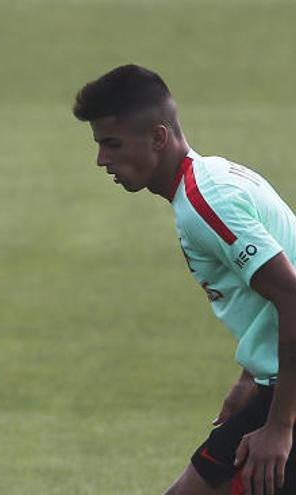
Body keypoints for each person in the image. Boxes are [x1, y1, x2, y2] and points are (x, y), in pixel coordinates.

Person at [73, 65, 296, 495]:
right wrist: (250, 377)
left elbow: (292, 294)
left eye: (111, 144)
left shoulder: (205, 203)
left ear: (158, 137)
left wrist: (280, 426)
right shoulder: (208, 180)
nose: (102, 160)